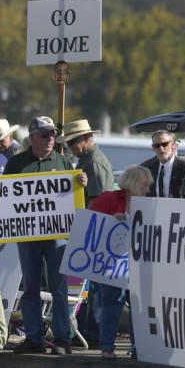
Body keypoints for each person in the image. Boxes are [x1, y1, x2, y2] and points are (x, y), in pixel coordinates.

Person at [0, 116, 88, 355]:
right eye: (45, 135)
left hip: (57, 234)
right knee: (31, 288)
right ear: (32, 137)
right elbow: (3, 197)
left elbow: (74, 197)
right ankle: (34, 337)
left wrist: (80, 183)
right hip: (28, 235)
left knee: (59, 288)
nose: (51, 139)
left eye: (53, 134)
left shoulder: (64, 161)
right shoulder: (16, 163)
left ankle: (61, 339)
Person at [57, 119, 114, 346]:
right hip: (92, 225)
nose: (70, 147)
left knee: (97, 286)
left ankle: (95, 332)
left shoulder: (94, 163)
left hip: (96, 227)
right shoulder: (88, 161)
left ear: (85, 139)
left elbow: (100, 201)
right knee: (91, 285)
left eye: (72, 142)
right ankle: (91, 330)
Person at [90, 165, 153, 360]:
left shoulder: (147, 205)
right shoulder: (108, 199)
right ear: (134, 185)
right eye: (144, 186)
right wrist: (111, 220)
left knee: (136, 305)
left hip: (136, 263)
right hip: (111, 263)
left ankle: (138, 347)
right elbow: (92, 224)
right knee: (113, 302)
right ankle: (107, 347)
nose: (148, 190)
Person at [140, 130, 185, 198]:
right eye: (157, 145)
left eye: (164, 144)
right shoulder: (147, 168)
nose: (161, 148)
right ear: (153, 147)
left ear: (173, 144)